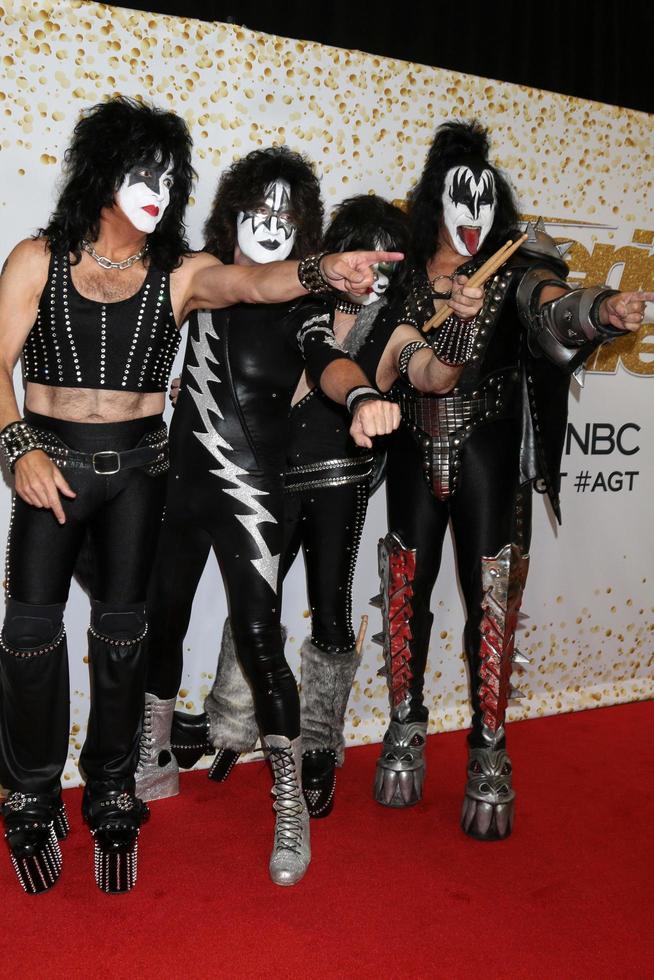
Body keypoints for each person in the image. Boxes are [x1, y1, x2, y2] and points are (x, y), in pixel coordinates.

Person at [0, 98, 399, 896]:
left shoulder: (179, 271)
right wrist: (19, 449)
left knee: (124, 636)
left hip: (144, 473)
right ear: (102, 169)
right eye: (142, 168)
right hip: (54, 466)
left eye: (170, 174)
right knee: (31, 637)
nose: (157, 186)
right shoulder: (36, 257)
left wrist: (323, 271)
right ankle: (30, 793)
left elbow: (250, 282)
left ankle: (114, 788)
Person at [371, 120, 653, 840]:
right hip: (410, 443)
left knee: (492, 596)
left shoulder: (514, 268)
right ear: (435, 202)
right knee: (406, 587)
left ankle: (488, 747)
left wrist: (601, 311)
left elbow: (553, 302)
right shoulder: (401, 273)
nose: (471, 219)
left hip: (488, 448)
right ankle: (405, 725)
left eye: (484, 202)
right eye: (457, 202)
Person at [165, 193, 483, 819]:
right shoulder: (297, 302)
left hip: (340, 486)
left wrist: (463, 326)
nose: (368, 275)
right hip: (273, 479)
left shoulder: (392, 326)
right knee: (255, 604)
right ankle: (232, 725)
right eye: (358, 257)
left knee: (333, 614)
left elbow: (433, 377)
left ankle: (319, 747)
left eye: (382, 264)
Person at [134, 152, 401, 886]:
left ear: (305, 225)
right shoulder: (200, 271)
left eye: (287, 216)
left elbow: (328, 359)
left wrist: (357, 398)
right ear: (232, 210)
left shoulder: (306, 305)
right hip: (182, 485)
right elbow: (240, 283)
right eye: (258, 208)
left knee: (259, 637)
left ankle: (286, 801)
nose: (269, 225)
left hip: (255, 491)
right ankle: (152, 756)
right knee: (163, 616)